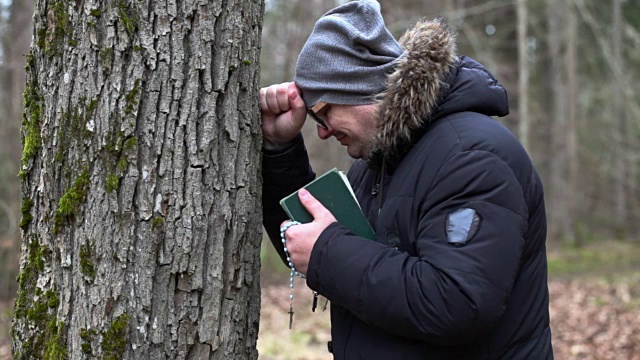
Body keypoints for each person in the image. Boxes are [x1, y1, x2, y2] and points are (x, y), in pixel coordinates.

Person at [260, 1, 554, 359]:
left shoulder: (473, 157)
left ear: (359, 89)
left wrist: (327, 251)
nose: (322, 133)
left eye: (323, 113)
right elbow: (315, 249)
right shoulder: (377, 163)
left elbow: (456, 303)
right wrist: (280, 149)